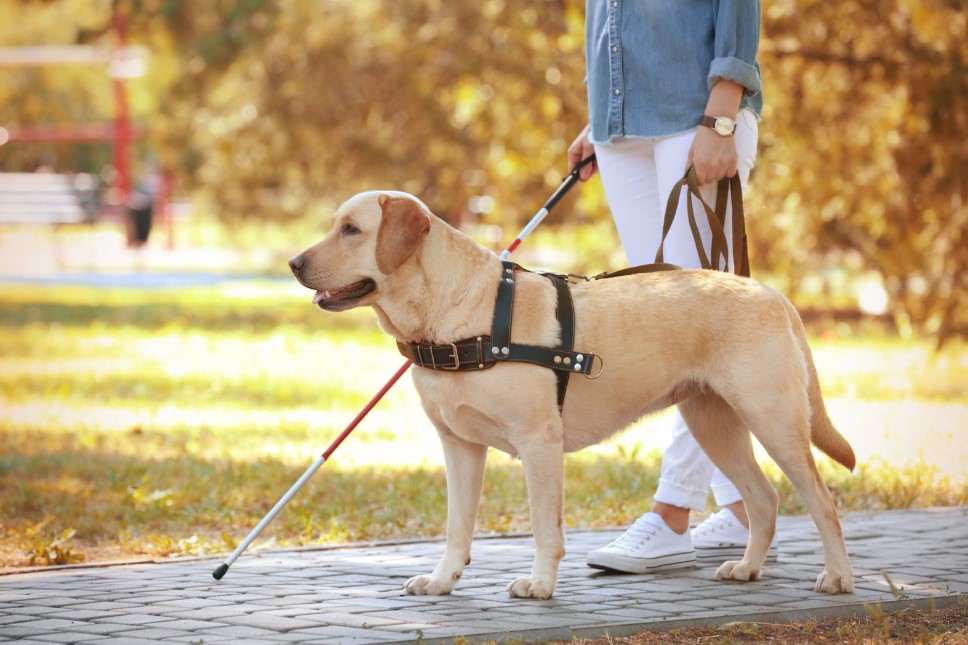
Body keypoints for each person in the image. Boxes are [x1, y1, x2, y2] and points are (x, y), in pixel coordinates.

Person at [567, 1, 778, 574]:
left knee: (694, 326)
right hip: (621, 126)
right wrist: (605, 114)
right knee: (664, 325)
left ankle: (673, 512)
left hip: (696, 115)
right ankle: (739, 508)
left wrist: (723, 116)